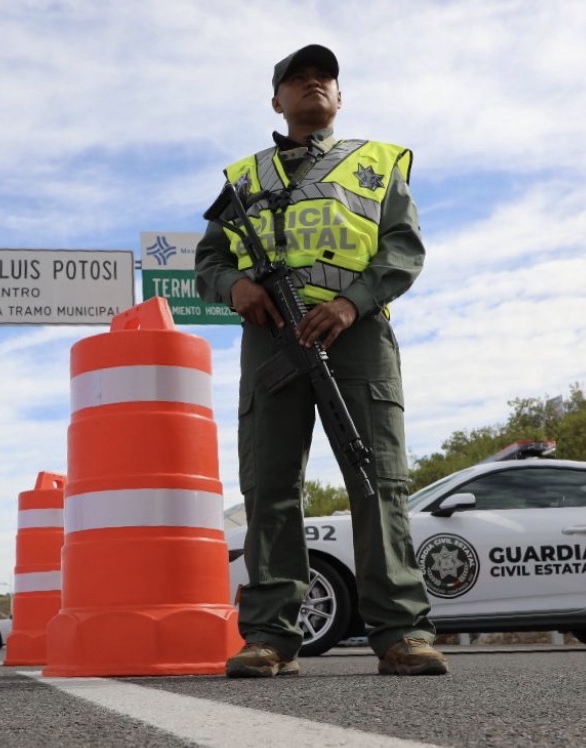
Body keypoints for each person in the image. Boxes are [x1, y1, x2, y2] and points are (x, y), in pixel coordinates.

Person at [195, 44, 448, 678]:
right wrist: (236, 289)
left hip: (354, 336)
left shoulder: (376, 164)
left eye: (324, 78)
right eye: (297, 79)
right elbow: (210, 262)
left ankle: (401, 633)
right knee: (270, 487)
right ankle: (271, 637)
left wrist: (351, 303)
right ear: (276, 101)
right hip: (272, 334)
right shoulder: (243, 179)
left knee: (377, 479)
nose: (313, 83)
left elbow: (402, 248)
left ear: (339, 98)